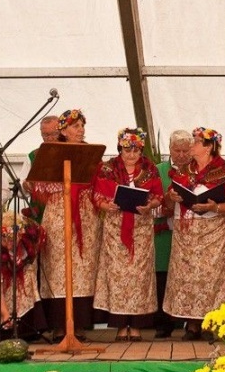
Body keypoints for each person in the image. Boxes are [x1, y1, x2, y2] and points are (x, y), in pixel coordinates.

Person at [163, 127, 225, 341]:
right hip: (186, 232)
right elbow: (168, 200)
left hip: (213, 230)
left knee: (212, 277)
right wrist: (172, 196)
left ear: (208, 147)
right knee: (189, 277)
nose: (192, 146)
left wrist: (214, 207)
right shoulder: (182, 170)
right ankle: (193, 324)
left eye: (196, 142)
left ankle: (214, 322)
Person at [29, 109, 101, 341]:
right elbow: (37, 183)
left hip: (85, 216)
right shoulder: (52, 152)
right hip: (59, 214)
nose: (80, 130)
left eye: (82, 126)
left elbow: (100, 183)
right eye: (75, 126)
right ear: (63, 130)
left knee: (83, 269)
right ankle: (59, 325)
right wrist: (61, 183)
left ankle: (78, 324)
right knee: (58, 268)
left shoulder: (91, 153)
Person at [92, 128, 163, 341]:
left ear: (141, 149)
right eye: (127, 150)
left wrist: (150, 205)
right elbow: (96, 195)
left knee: (139, 277)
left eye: (136, 150)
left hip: (140, 228)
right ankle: (121, 326)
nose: (131, 155)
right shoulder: (107, 168)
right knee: (118, 276)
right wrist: (106, 205)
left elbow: (158, 195)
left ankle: (137, 325)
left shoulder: (150, 169)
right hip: (115, 228)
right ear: (119, 148)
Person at [153, 130, 192, 338]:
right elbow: (149, 199)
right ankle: (163, 323)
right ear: (169, 149)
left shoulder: (198, 170)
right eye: (178, 150)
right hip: (164, 232)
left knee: (188, 276)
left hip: (190, 234)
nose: (182, 155)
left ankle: (191, 322)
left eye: (186, 150)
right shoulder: (158, 170)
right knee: (163, 275)